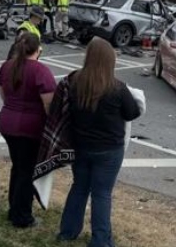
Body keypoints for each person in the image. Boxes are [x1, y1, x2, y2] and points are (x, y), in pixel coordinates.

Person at [58, 37, 141, 246]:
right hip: (109, 150)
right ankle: (100, 240)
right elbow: (132, 113)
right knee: (102, 194)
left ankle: (67, 232)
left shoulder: (75, 82)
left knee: (79, 187)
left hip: (80, 146)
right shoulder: (117, 88)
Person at [0, 33, 56, 228]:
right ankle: (22, 216)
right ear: (38, 50)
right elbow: (49, 105)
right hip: (30, 127)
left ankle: (13, 208)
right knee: (27, 171)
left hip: (8, 122)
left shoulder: (6, 67)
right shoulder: (41, 71)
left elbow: (4, 96)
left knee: (18, 166)